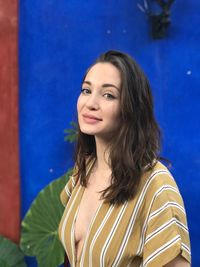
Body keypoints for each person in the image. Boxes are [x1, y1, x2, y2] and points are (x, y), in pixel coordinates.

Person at [58, 50, 191, 267]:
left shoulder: (156, 185)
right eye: (86, 90)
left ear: (131, 108)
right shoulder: (83, 170)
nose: (91, 103)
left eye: (108, 95)